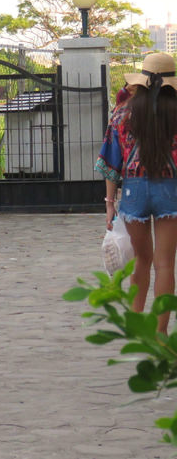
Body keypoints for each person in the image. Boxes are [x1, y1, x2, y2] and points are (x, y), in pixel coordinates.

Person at [96, 53, 177, 330]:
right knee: (165, 264)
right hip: (171, 190)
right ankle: (160, 331)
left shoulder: (122, 112)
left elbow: (110, 163)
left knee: (142, 260)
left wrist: (110, 203)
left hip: (134, 191)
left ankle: (134, 325)